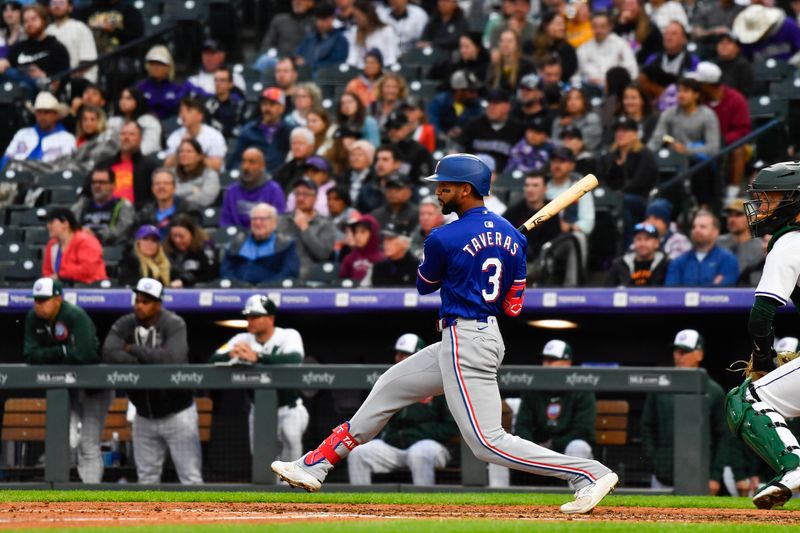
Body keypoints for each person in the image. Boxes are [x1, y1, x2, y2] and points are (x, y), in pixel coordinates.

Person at [272, 154, 619, 513]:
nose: (438, 193)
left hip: (466, 339)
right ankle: (316, 464)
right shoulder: (513, 240)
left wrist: (462, 265)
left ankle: (587, 473)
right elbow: (513, 305)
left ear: (466, 190)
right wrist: (495, 252)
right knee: (389, 389)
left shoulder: (444, 236)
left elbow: (425, 284)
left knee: (488, 443)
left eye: (445, 187)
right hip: (475, 335)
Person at [725, 161, 800, 509]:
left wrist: (765, 358)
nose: (762, 207)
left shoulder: (789, 240)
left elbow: (761, 316)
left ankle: (794, 467)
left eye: (770, 198)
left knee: (748, 398)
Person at [102, 277, 203, 485]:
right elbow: (109, 353)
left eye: (146, 302)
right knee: (146, 479)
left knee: (190, 478)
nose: (139, 306)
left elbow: (172, 360)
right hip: (143, 415)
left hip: (178, 413)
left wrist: (134, 349)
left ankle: (200, 519)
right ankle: (152, 519)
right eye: (137, 300)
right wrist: (146, 360)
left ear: (158, 304)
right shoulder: (125, 323)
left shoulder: (173, 323)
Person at [24, 277, 111, 484]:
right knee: (64, 441)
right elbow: (30, 354)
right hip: (66, 390)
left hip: (93, 388)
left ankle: (90, 495)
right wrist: (62, 351)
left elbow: (84, 354)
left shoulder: (74, 315)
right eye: (36, 300)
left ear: (58, 299)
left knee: (88, 444)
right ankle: (63, 495)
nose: (39, 304)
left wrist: (49, 355)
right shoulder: (32, 318)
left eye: (44, 300)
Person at [347, 333, 458, 485]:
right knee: (359, 453)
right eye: (397, 354)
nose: (398, 358)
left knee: (420, 452)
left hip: (432, 446)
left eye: (404, 354)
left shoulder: (439, 381)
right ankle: (357, 504)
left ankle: (424, 506)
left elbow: (451, 425)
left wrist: (418, 433)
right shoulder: (392, 383)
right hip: (395, 447)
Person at [210, 294, 309, 456]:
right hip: (259, 410)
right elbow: (212, 360)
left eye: (255, 316)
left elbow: (294, 359)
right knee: (262, 460)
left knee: (291, 465)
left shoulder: (288, 335)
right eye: (248, 316)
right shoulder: (242, 338)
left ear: (271, 318)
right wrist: (230, 355)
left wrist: (258, 357)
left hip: (289, 409)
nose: (250, 321)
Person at [641, 329, 730, 494]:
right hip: (663, 473)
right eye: (676, 351)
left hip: (701, 473)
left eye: (685, 351)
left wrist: (715, 476)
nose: (678, 356)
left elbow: (723, 435)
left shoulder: (714, 391)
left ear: (699, 354)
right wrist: (655, 462)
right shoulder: (659, 387)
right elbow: (647, 427)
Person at [516, 340, 596, 463]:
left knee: (578, 446)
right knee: (501, 449)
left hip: (566, 450)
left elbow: (582, 431)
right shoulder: (533, 388)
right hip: (536, 450)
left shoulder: (581, 388)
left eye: (551, 360)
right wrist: (531, 447)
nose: (546, 364)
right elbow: (522, 425)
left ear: (567, 363)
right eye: (544, 360)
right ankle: (497, 483)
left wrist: (553, 445)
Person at [647, 77, 720, 210]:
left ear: (696, 94)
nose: (680, 95)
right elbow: (656, 139)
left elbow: (713, 148)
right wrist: (645, 155)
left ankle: (703, 207)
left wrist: (687, 151)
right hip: (673, 160)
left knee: (700, 167)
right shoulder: (669, 114)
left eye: (686, 91)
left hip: (698, 161)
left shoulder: (708, 115)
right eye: (679, 91)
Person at [687, 61, 750, 200]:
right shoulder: (698, 100)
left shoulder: (736, 99)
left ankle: (732, 193)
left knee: (738, 150)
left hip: (728, 143)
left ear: (707, 86)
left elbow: (743, 129)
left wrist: (722, 140)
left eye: (699, 84)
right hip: (702, 142)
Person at [598, 117, 658, 234]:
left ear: (635, 134)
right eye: (618, 131)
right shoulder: (610, 155)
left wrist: (617, 194)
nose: (620, 134)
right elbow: (602, 177)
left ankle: (628, 241)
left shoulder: (644, 154)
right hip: (613, 197)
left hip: (639, 198)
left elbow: (638, 182)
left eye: (625, 131)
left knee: (624, 202)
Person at [221, 203, 300, 285]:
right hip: (238, 292)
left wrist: (263, 287)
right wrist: (239, 287)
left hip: (272, 292)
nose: (258, 222)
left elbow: (289, 273)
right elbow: (226, 271)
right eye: (254, 219)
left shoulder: (286, 245)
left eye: (263, 219)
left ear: (274, 222)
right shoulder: (236, 243)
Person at [503, 172, 564, 278]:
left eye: (535, 185)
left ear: (545, 189)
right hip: (518, 258)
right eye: (527, 185)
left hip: (544, 258)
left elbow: (554, 240)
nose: (530, 189)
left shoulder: (552, 209)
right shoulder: (514, 211)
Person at [0, 4, 69, 94]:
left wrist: (43, 76)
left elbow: (64, 79)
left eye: (34, 19)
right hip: (15, 92)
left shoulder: (57, 47)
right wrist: (3, 63)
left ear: (44, 20)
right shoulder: (19, 47)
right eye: (25, 21)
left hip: (43, 94)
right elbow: (7, 62)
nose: (29, 24)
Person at [276, 178, 336, 280]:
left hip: (311, 276)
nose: (300, 198)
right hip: (281, 274)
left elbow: (323, 254)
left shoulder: (326, 224)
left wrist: (304, 228)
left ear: (315, 198)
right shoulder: (281, 220)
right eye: (297, 194)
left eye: (306, 194)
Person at [456, 88, 524, 172]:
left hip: (505, 180)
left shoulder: (518, 128)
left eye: (496, 104)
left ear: (507, 107)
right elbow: (457, 149)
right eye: (489, 103)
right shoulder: (474, 124)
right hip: (471, 176)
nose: (491, 107)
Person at [665, 209, 739, 287]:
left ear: (715, 232)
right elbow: (672, 293)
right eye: (694, 227)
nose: (697, 230)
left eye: (702, 227)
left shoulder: (728, 260)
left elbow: (724, 294)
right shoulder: (679, 262)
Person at [2, 91, 75, 169]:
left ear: (56, 115)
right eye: (39, 112)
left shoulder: (67, 139)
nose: (42, 116)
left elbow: (67, 166)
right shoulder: (22, 134)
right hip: (15, 175)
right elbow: (6, 158)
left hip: (48, 177)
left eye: (46, 112)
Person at [228, 87, 292, 173]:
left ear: (282, 108)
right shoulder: (248, 130)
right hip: (251, 178)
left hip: (279, 179)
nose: (267, 108)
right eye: (264, 104)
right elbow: (236, 161)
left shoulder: (289, 132)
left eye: (272, 104)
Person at [98, 121, 159, 209]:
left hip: (137, 213)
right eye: (123, 134)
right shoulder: (104, 164)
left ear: (140, 138)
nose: (126, 137)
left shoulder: (150, 166)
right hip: (106, 212)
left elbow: (154, 197)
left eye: (131, 134)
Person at [220, 147, 287, 229]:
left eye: (252, 162)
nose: (246, 167)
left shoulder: (274, 190)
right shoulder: (231, 192)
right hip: (236, 239)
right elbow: (225, 223)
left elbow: (279, 222)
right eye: (243, 161)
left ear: (262, 166)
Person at [135, 45, 204, 121]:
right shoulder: (140, 88)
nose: (155, 67)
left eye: (160, 64)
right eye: (152, 63)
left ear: (168, 67)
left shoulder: (177, 88)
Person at [71, 166, 135, 246]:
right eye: (94, 182)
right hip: (82, 248)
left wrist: (96, 236)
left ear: (113, 185)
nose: (97, 186)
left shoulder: (123, 205)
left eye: (102, 182)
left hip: (110, 250)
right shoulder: (83, 204)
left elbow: (121, 230)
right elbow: (70, 226)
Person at [42, 207, 106, 285]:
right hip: (61, 289)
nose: (48, 226)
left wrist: (61, 275)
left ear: (65, 224)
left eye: (52, 222)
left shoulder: (86, 241)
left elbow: (87, 270)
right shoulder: (51, 245)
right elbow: (47, 272)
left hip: (90, 289)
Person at [575, 12, 638, 89]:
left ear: (610, 27)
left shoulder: (621, 44)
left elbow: (633, 70)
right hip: (591, 89)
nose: (598, 30)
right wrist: (587, 80)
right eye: (595, 27)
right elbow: (577, 75)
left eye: (602, 27)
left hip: (617, 88)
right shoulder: (583, 49)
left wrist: (612, 82)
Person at [135, 168, 201, 239]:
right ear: (152, 188)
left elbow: (196, 240)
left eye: (166, 183)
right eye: (157, 184)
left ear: (174, 188)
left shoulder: (190, 211)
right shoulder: (144, 213)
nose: (161, 187)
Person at [164, 97, 226, 172]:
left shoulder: (214, 136)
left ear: (200, 116)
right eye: (181, 111)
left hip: (207, 178)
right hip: (182, 178)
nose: (183, 115)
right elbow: (167, 165)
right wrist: (180, 150)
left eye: (188, 111)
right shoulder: (175, 136)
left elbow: (217, 166)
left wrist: (194, 154)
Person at [254, 0, 315, 72]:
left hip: (305, 61)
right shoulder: (279, 20)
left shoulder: (316, 22)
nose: (297, 1)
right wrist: (280, 57)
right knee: (264, 60)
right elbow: (267, 45)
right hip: (280, 60)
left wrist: (306, 58)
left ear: (310, 3)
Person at [46, 0, 98, 83]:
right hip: (55, 81)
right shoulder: (47, 31)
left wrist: (69, 77)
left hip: (81, 81)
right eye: (54, 3)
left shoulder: (80, 27)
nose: (57, 6)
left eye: (61, 3)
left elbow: (88, 60)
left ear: (70, 8)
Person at [716, 198, 763, 287]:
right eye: (730, 215)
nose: (732, 219)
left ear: (752, 218)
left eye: (738, 215)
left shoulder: (761, 247)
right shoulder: (717, 243)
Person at [606, 222, 669, 286]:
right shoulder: (619, 264)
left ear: (656, 243)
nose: (642, 243)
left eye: (647, 239)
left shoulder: (666, 264)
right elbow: (607, 291)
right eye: (638, 239)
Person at [164, 214, 219, 288]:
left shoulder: (206, 247)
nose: (177, 240)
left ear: (192, 234)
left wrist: (185, 281)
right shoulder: (167, 249)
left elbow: (210, 276)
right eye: (174, 236)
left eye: (181, 236)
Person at [732, 4, 800, 64]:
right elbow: (747, 60)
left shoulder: (788, 26)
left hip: (791, 72)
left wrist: (792, 63)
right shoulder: (746, 41)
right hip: (759, 75)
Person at [426, 69, 484, 139]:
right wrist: (443, 137)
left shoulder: (476, 104)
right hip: (441, 144)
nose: (475, 95)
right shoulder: (439, 102)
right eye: (471, 91)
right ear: (459, 91)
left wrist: (464, 133)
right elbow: (432, 125)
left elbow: (479, 128)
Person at [106, 86, 162, 156]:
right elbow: (108, 144)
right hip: (120, 159)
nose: (123, 101)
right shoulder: (114, 121)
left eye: (128, 98)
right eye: (122, 98)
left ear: (138, 100)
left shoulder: (149, 121)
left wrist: (130, 157)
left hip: (146, 159)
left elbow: (151, 146)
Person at [296, 1, 349, 72]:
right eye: (318, 19)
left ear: (332, 18)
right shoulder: (310, 38)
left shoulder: (340, 40)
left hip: (326, 79)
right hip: (305, 78)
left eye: (323, 19)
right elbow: (298, 55)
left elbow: (336, 64)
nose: (319, 23)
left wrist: (309, 64)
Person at [345, 0, 398, 69]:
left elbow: (391, 58)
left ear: (368, 15)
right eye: (355, 17)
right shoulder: (355, 31)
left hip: (383, 71)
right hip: (363, 72)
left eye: (358, 17)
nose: (356, 20)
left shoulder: (387, 30)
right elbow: (352, 58)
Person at [204, 67, 251, 140]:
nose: (217, 84)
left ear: (230, 84)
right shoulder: (207, 104)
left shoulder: (239, 106)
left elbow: (245, 129)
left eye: (222, 80)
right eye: (216, 80)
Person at [172, 138, 221, 208]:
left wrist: (180, 200)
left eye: (189, 151)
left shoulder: (210, 175)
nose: (184, 154)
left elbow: (206, 199)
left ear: (199, 157)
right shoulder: (171, 174)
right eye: (181, 151)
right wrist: (192, 189)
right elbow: (166, 195)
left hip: (197, 213)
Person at [551, 88, 603, 152]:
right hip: (563, 156)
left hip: (588, 154)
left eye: (577, 98)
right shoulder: (559, 120)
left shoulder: (592, 118)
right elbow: (554, 142)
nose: (573, 102)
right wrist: (560, 126)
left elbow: (592, 142)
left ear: (584, 102)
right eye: (569, 99)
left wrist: (574, 145)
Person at [339, 214, 385, 285]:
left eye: (363, 232)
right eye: (356, 232)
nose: (358, 236)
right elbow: (342, 283)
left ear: (373, 234)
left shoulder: (382, 259)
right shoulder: (349, 258)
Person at [532, 13, 578, 83]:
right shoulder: (533, 45)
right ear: (546, 26)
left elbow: (570, 71)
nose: (562, 27)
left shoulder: (568, 49)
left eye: (563, 24)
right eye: (558, 24)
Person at [614, 0, 663, 65]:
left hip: (642, 66)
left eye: (631, 4)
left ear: (639, 7)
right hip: (620, 66)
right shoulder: (618, 25)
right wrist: (620, 24)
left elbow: (657, 53)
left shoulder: (650, 28)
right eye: (625, 4)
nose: (628, 8)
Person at [486, 29, 535, 94]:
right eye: (502, 41)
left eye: (509, 41)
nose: (505, 44)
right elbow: (488, 88)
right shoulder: (494, 66)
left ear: (517, 44)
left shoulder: (527, 65)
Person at [275, 127, 317, 193]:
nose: (296, 147)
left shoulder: (317, 167)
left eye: (301, 143)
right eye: (294, 143)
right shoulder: (285, 168)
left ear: (311, 147)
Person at [714, 32, 753, 98]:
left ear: (737, 48)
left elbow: (746, 92)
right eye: (721, 42)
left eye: (728, 43)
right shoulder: (712, 65)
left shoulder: (743, 66)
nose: (724, 45)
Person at [409, 195, 445, 260]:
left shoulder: (448, 240)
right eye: (422, 214)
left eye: (430, 214)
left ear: (441, 217)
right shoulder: (414, 237)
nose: (425, 218)